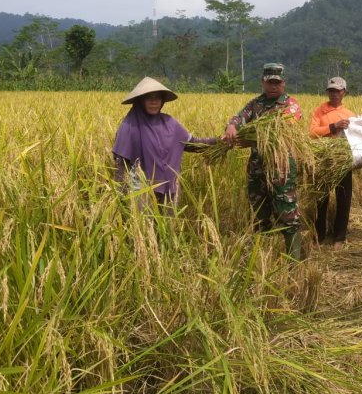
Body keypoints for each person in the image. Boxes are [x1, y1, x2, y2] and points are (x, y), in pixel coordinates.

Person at [223, 63, 303, 260]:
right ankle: (262, 260)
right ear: (263, 82)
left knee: (288, 213)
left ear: (283, 83)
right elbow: (240, 117)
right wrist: (232, 127)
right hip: (257, 168)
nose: (273, 86)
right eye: (270, 82)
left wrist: (251, 139)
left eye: (277, 82)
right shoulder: (255, 104)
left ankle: (294, 260)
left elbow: (281, 132)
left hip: (281, 168)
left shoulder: (291, 106)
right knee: (260, 212)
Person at [112, 76, 216, 206]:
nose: (154, 102)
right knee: (145, 226)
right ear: (140, 100)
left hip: (170, 189)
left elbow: (193, 144)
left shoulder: (170, 123)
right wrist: (120, 197)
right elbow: (121, 164)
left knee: (170, 225)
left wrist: (220, 141)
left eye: (158, 97)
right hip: (141, 189)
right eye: (149, 97)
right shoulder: (129, 127)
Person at [309, 76, 355, 249]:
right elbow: (312, 133)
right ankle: (319, 236)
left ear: (344, 92)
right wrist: (333, 127)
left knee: (344, 199)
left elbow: (355, 140)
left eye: (337, 91)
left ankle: (339, 238)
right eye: (331, 91)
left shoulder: (350, 115)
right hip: (323, 160)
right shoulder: (319, 111)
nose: (333, 94)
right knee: (321, 199)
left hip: (342, 161)